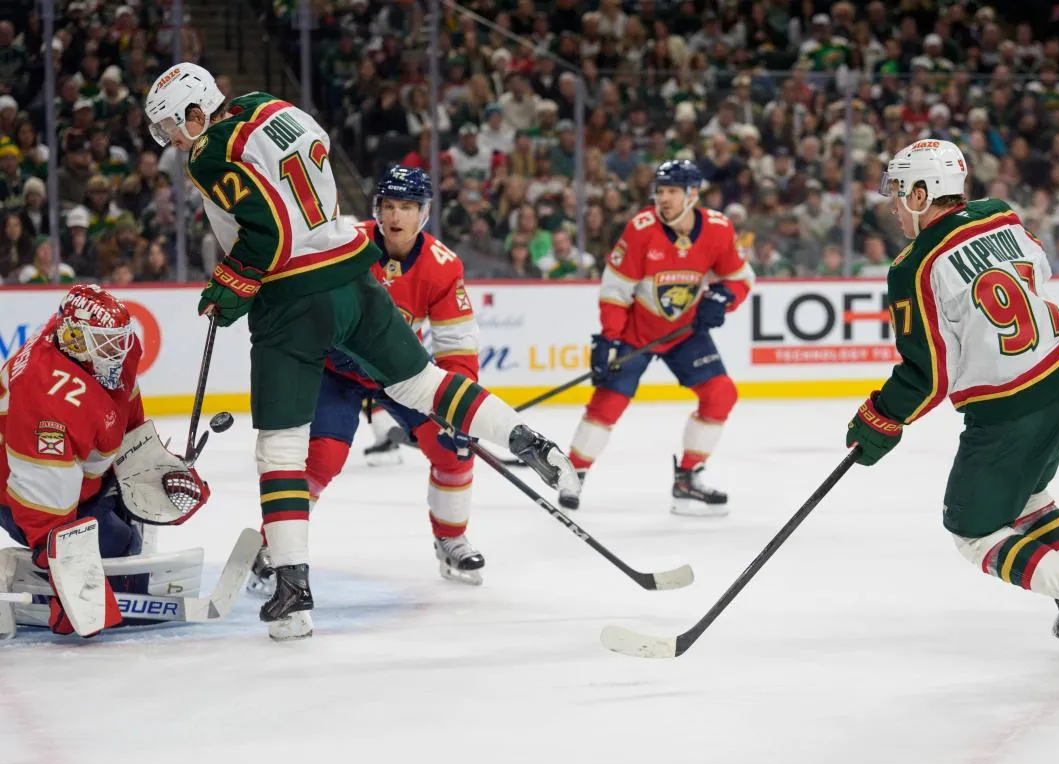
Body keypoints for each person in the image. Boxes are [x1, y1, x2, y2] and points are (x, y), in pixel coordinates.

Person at [144, 63, 577, 641]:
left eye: (173, 125)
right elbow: (314, 156)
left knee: (281, 448)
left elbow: (268, 234)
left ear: (196, 113)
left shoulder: (207, 152)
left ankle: (293, 593)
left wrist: (234, 279)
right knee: (423, 384)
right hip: (353, 275)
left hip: (294, 301)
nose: (172, 139)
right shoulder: (271, 105)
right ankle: (528, 438)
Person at [845, 139, 1059, 676]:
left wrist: (878, 419)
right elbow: (1039, 274)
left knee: (973, 527)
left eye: (898, 193)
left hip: (1012, 409)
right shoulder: (1000, 215)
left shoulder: (914, 266)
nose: (893, 204)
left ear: (922, 193)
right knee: (1028, 494)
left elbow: (928, 375)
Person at [300, 166, 489, 586]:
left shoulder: (442, 267)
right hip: (338, 371)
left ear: (424, 213)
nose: (396, 216)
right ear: (376, 210)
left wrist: (457, 407)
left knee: (453, 450)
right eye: (389, 206)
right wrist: (331, 341)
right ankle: (276, 548)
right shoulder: (345, 244)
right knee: (320, 459)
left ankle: (452, 541)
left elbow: (457, 344)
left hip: (399, 371)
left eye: (406, 207)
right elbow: (306, 300)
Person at [0, 285, 209, 636]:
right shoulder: (45, 401)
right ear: (76, 340)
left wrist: (150, 464)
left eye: (120, 338)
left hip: (81, 477)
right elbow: (43, 507)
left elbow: (125, 416)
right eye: (106, 341)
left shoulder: (96, 352)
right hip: (19, 495)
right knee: (121, 542)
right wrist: (73, 586)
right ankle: (42, 584)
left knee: (127, 526)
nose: (120, 348)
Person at [559, 160, 755, 516]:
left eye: (672, 191)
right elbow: (616, 290)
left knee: (721, 394)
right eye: (660, 191)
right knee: (609, 402)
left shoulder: (718, 228)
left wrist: (723, 298)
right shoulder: (641, 229)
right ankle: (573, 471)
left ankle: (688, 478)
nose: (663, 198)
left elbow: (741, 278)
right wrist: (609, 339)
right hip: (639, 331)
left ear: (692, 194)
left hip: (685, 332)